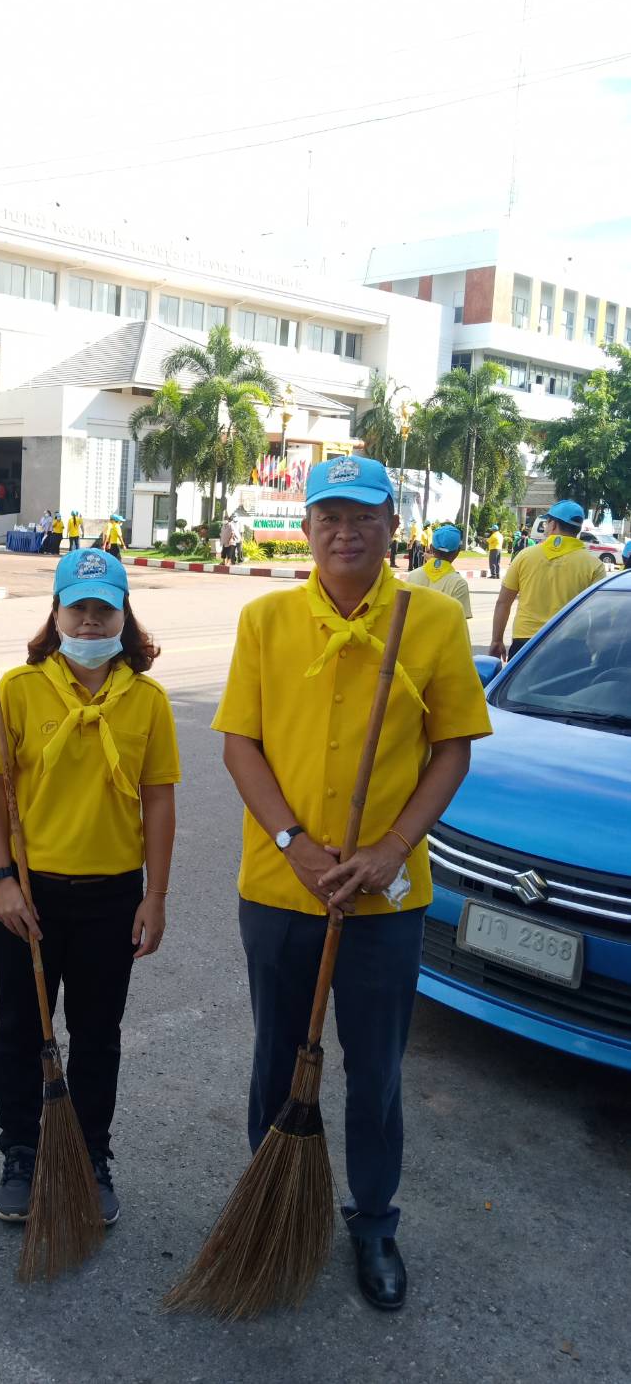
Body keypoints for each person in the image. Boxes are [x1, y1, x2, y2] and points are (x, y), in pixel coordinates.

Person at [212, 455, 490, 1311]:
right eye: (328, 515)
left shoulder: (432, 621)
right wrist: (293, 840)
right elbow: (240, 744)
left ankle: (374, 1220)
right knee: (275, 1062)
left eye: (363, 516)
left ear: (392, 529)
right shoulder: (264, 620)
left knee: (376, 1071)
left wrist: (394, 846)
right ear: (305, 528)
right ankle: (272, 1209)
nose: (345, 530)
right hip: (280, 886)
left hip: (385, 896)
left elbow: (452, 747)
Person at [0, 546, 179, 1226]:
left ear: (123, 616)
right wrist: (1, 878)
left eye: (103, 610)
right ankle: (20, 1151)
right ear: (55, 613)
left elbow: (159, 800)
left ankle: (92, 1151)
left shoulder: (147, 701)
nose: (90, 623)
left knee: (98, 1033)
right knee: (21, 1029)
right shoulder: (20, 692)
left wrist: (155, 895)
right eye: (78, 608)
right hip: (29, 896)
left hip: (112, 897)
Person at [489, 499, 606, 662]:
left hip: (526, 643)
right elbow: (600, 614)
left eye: (547, 521)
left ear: (554, 525)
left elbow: (503, 602)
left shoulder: (525, 556)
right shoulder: (594, 565)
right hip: (571, 645)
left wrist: (497, 639)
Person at [406, 524, 472, 618]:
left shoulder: (412, 575)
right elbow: (459, 623)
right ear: (457, 552)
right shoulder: (459, 584)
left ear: (431, 548)